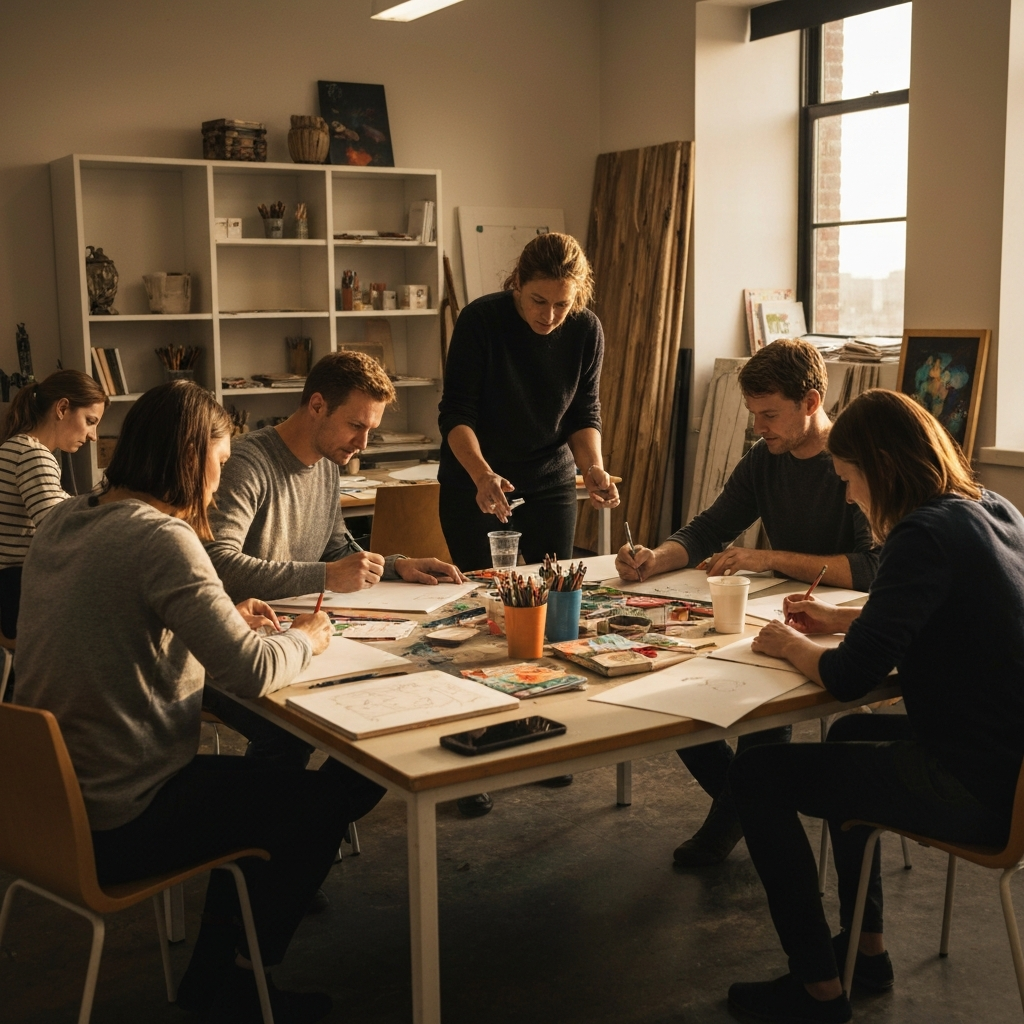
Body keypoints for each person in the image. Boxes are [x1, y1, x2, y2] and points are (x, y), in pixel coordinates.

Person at [15, 381, 374, 1024]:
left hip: (41, 812)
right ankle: (232, 988)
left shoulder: (66, 518)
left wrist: (222, 615)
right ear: (189, 456)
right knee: (329, 796)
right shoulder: (161, 537)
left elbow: (117, 615)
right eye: (220, 458)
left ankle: (222, 978)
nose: (222, 475)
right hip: (123, 818)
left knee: (272, 783)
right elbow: (252, 668)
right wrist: (308, 636)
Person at [725, 389, 1024, 1024]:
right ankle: (869, 952)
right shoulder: (989, 508)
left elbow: (849, 677)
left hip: (972, 789)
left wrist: (791, 643)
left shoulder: (920, 534)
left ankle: (817, 990)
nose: (849, 496)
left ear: (881, 466)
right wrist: (840, 615)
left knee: (755, 775)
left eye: (850, 480)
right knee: (841, 744)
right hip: (1006, 760)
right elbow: (931, 611)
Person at [615, 340, 878, 868]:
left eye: (771, 414)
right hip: (779, 609)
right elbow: (710, 526)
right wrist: (654, 557)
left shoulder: (852, 462)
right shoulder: (764, 459)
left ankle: (737, 813)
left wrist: (768, 558)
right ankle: (748, 803)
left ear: (811, 401)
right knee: (677, 692)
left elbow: (872, 567)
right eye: (754, 414)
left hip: (836, 620)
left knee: (759, 703)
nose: (760, 427)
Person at [202, 351, 460, 849]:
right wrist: (325, 574)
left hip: (299, 638)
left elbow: (337, 547)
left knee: (390, 706)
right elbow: (218, 565)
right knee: (290, 733)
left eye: (371, 430)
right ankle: (275, 847)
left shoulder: (325, 462)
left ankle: (304, 827)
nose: (363, 444)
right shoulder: (248, 464)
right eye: (356, 426)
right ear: (316, 405)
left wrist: (398, 561)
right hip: (232, 644)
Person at [437, 232, 620, 815]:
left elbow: (584, 411)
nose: (550, 315)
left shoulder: (585, 330)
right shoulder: (480, 321)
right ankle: (474, 754)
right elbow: (456, 414)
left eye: (563, 304)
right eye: (539, 301)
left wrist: (591, 468)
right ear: (517, 284)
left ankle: (542, 740)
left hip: (549, 481)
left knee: (552, 618)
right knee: (483, 617)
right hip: (476, 477)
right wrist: (483, 475)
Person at [0, 369, 107, 648]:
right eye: (90, 421)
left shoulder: (14, 446)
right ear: (62, 408)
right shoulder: (34, 455)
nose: (94, 436)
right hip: (14, 590)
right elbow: (59, 527)